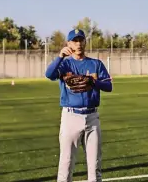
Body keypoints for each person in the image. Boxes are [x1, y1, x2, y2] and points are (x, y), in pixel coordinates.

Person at [45, 28, 113, 182]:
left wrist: (94, 81)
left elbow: (109, 87)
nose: (78, 43)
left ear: (85, 42)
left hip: (92, 117)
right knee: (66, 163)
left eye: (81, 40)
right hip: (70, 116)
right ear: (68, 43)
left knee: (94, 165)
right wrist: (60, 56)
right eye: (74, 40)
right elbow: (49, 75)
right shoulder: (65, 64)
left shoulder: (95, 64)